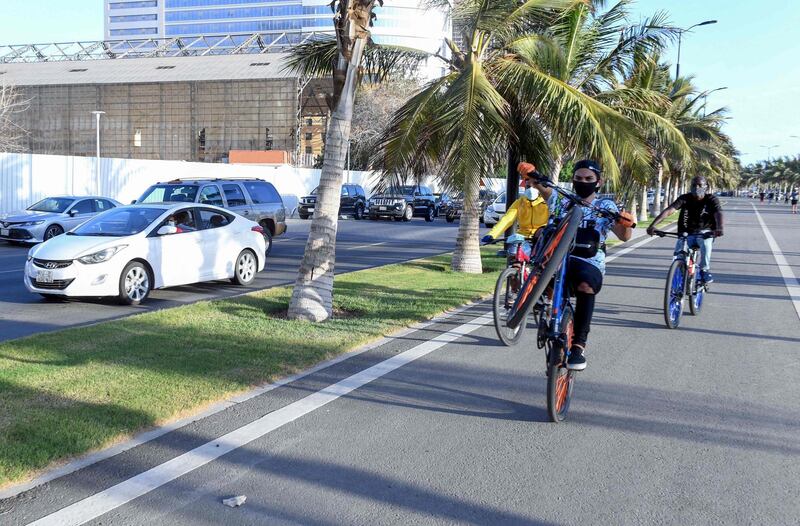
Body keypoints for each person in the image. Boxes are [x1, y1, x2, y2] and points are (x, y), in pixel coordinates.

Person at [526, 160, 635, 371]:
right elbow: (540, 184)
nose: (582, 182)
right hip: (556, 259)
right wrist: (530, 172)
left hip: (588, 261)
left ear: (598, 182)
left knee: (586, 286)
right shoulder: (560, 198)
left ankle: (578, 346)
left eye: (588, 179)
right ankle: (544, 307)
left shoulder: (606, 207)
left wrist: (626, 223)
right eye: (578, 179)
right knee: (541, 276)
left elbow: (624, 236)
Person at [647, 176, 724, 284]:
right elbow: (669, 211)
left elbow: (718, 213)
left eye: (700, 185)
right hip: (686, 233)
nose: (696, 188)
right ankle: (680, 272)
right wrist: (653, 225)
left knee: (706, 243)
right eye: (693, 185)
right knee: (679, 255)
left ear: (705, 187)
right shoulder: (684, 198)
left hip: (704, 233)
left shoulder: (711, 199)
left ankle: (704, 270)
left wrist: (719, 228)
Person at [481, 179, 549, 256]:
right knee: (515, 258)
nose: (531, 189)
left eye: (534, 186)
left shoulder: (546, 204)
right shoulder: (519, 202)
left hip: (542, 238)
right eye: (528, 186)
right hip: (523, 238)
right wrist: (492, 234)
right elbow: (507, 219)